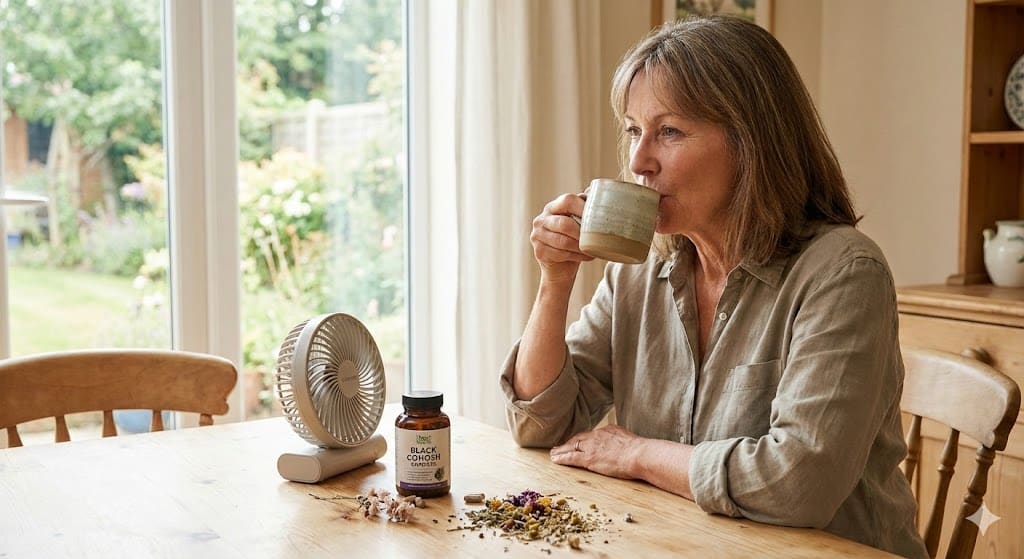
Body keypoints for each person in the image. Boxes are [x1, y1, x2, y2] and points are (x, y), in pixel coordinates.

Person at [498, 15, 928, 558]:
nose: (638, 161)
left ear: (752, 142)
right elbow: (540, 424)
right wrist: (555, 282)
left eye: (669, 131)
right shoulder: (637, 271)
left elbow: (798, 486)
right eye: (634, 130)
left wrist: (637, 455)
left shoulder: (842, 273)